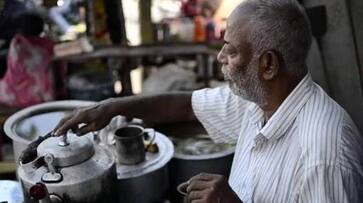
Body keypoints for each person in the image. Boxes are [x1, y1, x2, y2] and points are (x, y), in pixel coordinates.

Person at [54, 0, 363, 202]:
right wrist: (112, 106)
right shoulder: (259, 102)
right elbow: (186, 106)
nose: (219, 58)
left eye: (230, 50)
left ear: (267, 65)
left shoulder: (325, 155)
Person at [0, 12, 56, 109]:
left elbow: (14, 69)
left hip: (15, 95)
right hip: (44, 94)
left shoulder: (18, 42)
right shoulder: (47, 43)